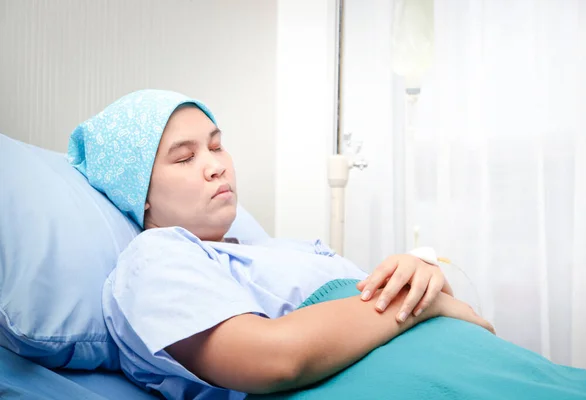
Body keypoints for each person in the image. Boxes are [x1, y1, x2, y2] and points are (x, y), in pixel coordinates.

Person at [67, 89, 495, 399]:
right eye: (185, 158)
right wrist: (422, 303)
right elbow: (272, 358)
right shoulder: (155, 257)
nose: (216, 166)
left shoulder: (272, 250)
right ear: (137, 191)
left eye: (217, 146)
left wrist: (423, 279)